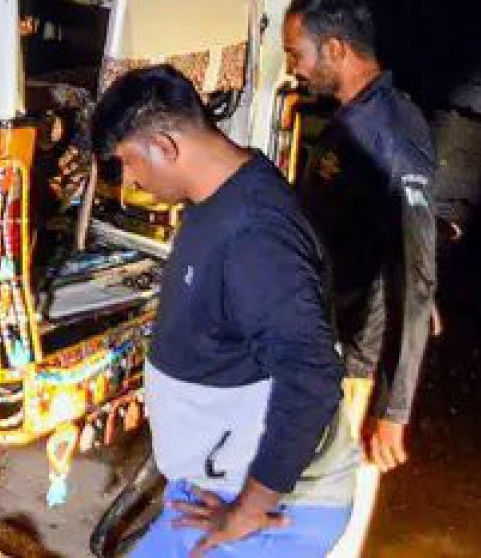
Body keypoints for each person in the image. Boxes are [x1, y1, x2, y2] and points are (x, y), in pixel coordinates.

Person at [94, 66, 358, 557]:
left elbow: (312, 374)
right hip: (211, 484)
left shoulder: (255, 236)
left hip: (265, 512)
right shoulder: (224, 194)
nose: (129, 178)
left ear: (166, 146)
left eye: (128, 161)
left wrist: (253, 506)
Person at [282, 0, 438, 474]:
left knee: (328, 486)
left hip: (354, 360)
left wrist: (393, 409)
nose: (292, 68)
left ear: (335, 49)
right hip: (326, 336)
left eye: (296, 54)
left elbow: (414, 274)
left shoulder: (390, 134)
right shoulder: (357, 118)